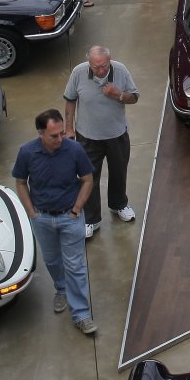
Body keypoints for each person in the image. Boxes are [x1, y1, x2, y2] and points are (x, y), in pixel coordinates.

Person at [12, 109, 96, 335]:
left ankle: (81, 314)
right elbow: (20, 182)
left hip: (70, 217)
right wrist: (32, 213)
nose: (60, 139)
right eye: (54, 135)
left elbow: (87, 179)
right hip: (42, 218)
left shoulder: (74, 150)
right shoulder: (27, 153)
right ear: (40, 134)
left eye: (61, 133)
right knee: (51, 260)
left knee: (75, 266)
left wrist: (77, 209)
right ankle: (61, 289)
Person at [63, 45, 140, 238]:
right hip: (87, 137)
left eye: (104, 66)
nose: (100, 71)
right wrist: (69, 129)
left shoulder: (120, 70)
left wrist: (118, 94)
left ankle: (119, 204)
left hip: (117, 135)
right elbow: (70, 100)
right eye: (96, 67)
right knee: (88, 178)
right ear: (89, 63)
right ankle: (91, 219)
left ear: (109, 60)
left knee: (119, 172)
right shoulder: (78, 73)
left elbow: (134, 97)